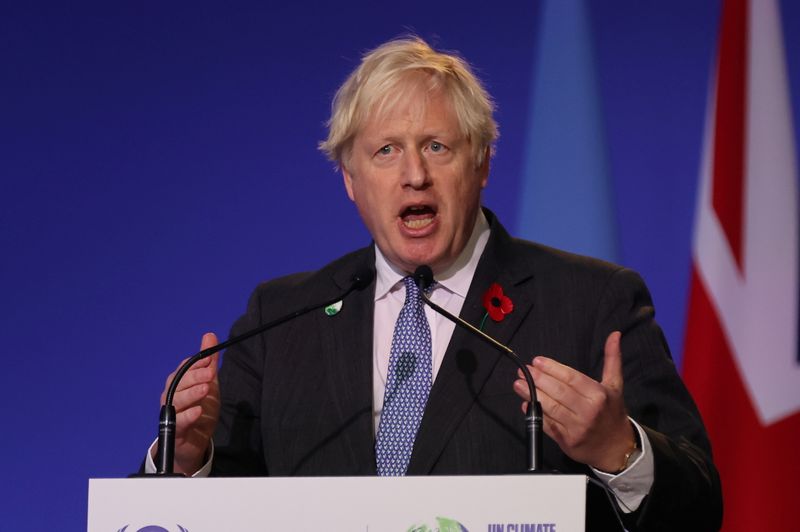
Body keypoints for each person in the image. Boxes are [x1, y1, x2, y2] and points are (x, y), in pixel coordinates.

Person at [145, 37, 722, 530]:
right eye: (386, 150)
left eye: (437, 147)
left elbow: (702, 508)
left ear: (483, 164)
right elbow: (204, 509)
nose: (414, 174)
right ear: (350, 179)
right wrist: (188, 458)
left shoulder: (592, 301)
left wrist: (618, 451)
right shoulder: (282, 318)